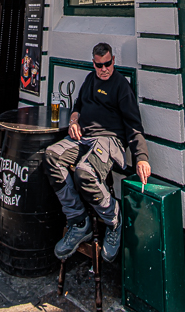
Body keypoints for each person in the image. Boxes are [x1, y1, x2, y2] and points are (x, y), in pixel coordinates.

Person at [44, 42, 151, 263]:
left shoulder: (120, 86)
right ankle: (78, 220)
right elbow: (78, 106)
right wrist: (74, 121)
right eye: (99, 65)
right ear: (93, 63)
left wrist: (141, 157)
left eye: (107, 64)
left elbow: (134, 124)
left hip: (109, 140)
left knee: (84, 172)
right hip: (83, 137)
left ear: (113, 61)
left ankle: (113, 219)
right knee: (52, 155)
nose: (104, 69)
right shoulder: (89, 80)